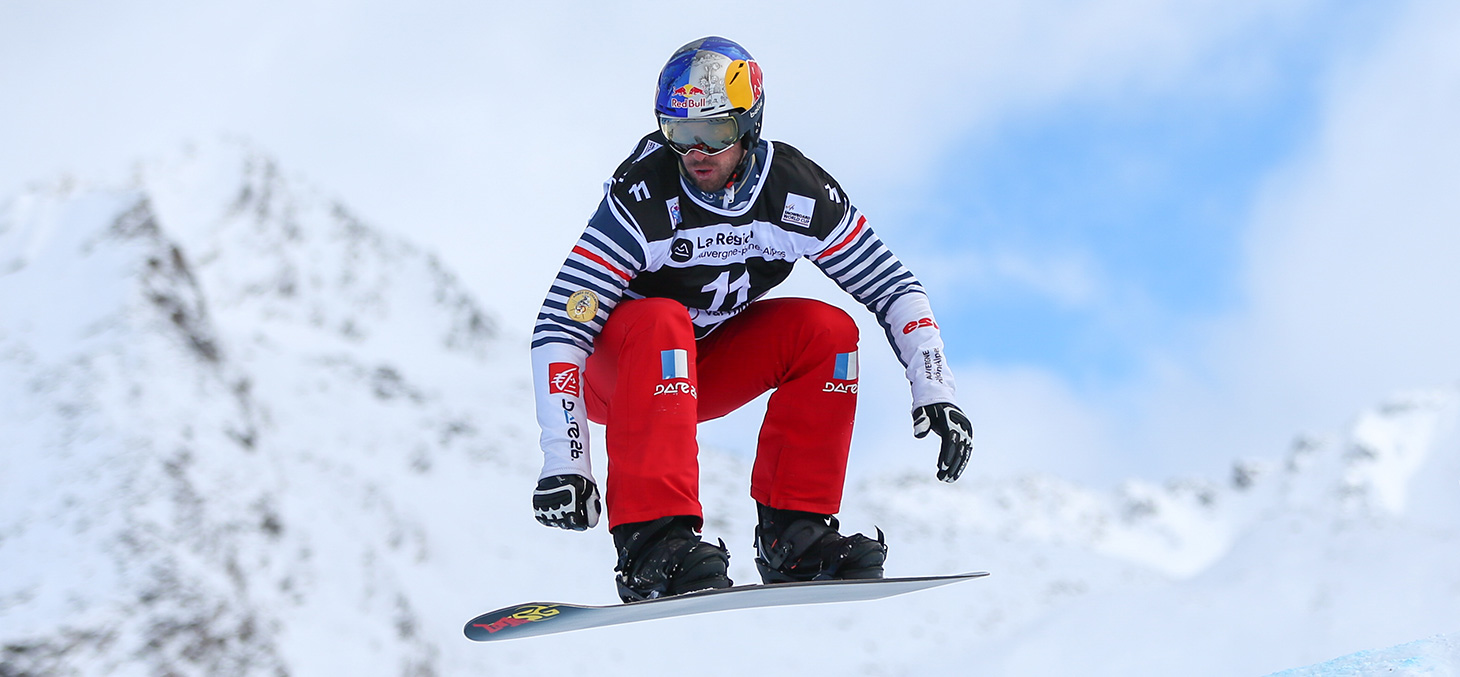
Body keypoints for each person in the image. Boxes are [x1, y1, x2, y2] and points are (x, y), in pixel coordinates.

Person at [529, 36, 975, 603]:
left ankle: (796, 534)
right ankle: (652, 543)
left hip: (697, 371)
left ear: (750, 123)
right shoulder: (643, 197)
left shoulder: (797, 192)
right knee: (663, 319)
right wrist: (566, 461)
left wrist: (935, 388)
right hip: (620, 373)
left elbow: (893, 286)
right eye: (678, 132)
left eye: (714, 132)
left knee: (829, 333)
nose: (695, 152)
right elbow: (560, 327)